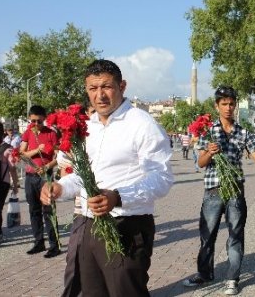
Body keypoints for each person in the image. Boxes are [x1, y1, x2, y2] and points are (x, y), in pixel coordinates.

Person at [40, 59, 173, 296]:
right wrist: (60, 187)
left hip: (127, 225)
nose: (99, 95)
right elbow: (83, 177)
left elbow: (161, 179)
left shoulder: (142, 124)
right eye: (93, 88)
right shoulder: (88, 127)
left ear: (122, 86)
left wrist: (118, 197)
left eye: (106, 87)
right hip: (89, 224)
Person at [183, 85, 255, 295]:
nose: (228, 107)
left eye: (231, 103)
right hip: (213, 190)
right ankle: (204, 274)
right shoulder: (208, 131)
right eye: (224, 104)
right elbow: (201, 163)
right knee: (207, 235)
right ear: (217, 106)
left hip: (235, 190)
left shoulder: (244, 132)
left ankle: (232, 278)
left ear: (235, 105)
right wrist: (209, 152)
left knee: (236, 235)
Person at [61, 101, 95, 297]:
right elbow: (66, 171)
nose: (92, 118)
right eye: (89, 114)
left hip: (109, 209)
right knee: (74, 257)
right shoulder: (76, 140)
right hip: (81, 210)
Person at [20, 105, 60, 258]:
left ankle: (54, 244)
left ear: (44, 119)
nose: (35, 124)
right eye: (32, 121)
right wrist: (37, 150)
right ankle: (39, 242)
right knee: (34, 210)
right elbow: (22, 154)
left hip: (45, 177)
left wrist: (48, 166)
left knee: (49, 211)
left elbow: (58, 156)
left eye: (38, 121)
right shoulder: (28, 133)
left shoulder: (51, 133)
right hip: (30, 177)